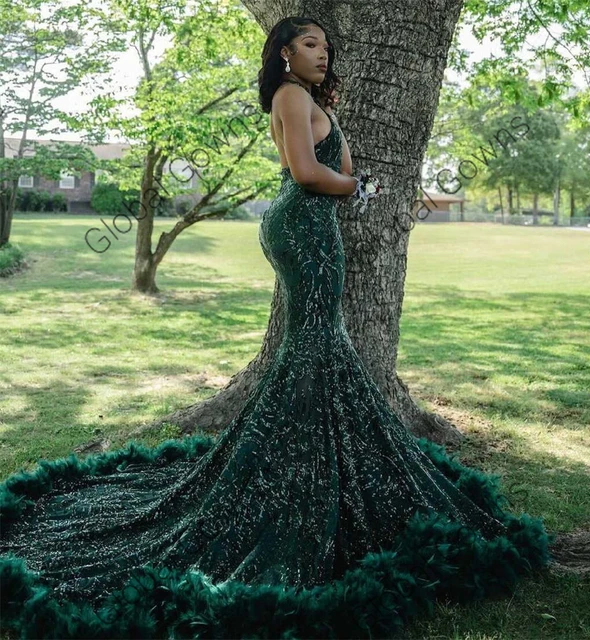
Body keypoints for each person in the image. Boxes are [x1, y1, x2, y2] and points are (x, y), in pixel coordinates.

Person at [0, 16, 554, 640]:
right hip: (303, 228)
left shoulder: (309, 100)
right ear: (286, 54)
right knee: (316, 343)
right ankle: (292, 466)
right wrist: (361, 186)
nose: (323, 53)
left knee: (319, 345)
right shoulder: (289, 96)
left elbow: (333, 163)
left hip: (313, 228)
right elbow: (309, 174)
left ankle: (305, 455)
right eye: (311, 45)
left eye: (326, 46)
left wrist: (339, 133)